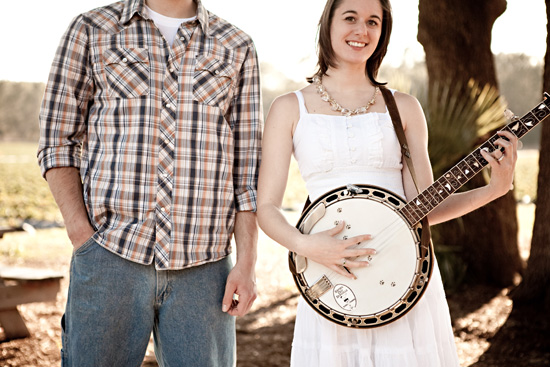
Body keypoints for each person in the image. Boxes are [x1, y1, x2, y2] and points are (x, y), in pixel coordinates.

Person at [256, 0, 518, 365]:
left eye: (373, 21)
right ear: (327, 23)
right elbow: (266, 207)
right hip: (332, 280)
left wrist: (494, 189)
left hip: (404, 279)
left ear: (383, 31)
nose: (361, 31)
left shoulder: (404, 107)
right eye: (350, 18)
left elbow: (426, 207)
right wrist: (307, 246)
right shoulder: (289, 108)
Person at [37, 0, 262, 365]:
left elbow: (248, 167)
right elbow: (57, 140)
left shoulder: (236, 44)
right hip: (110, 255)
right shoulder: (92, 29)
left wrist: (247, 263)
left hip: (206, 269)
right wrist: (82, 235)